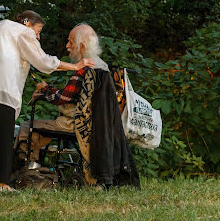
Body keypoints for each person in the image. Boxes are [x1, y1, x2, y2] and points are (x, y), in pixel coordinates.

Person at [0, 10, 95, 192]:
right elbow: (43, 61)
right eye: (38, 31)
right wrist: (75, 66)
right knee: (3, 137)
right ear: (28, 24)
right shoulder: (23, 32)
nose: (38, 36)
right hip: (2, 90)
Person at [15, 24, 141, 188]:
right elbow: (75, 95)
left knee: (27, 127)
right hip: (97, 127)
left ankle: (29, 174)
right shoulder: (102, 67)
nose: (67, 46)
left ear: (81, 46)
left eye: (70, 42)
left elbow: (62, 98)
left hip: (74, 124)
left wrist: (44, 89)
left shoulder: (84, 70)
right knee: (42, 130)